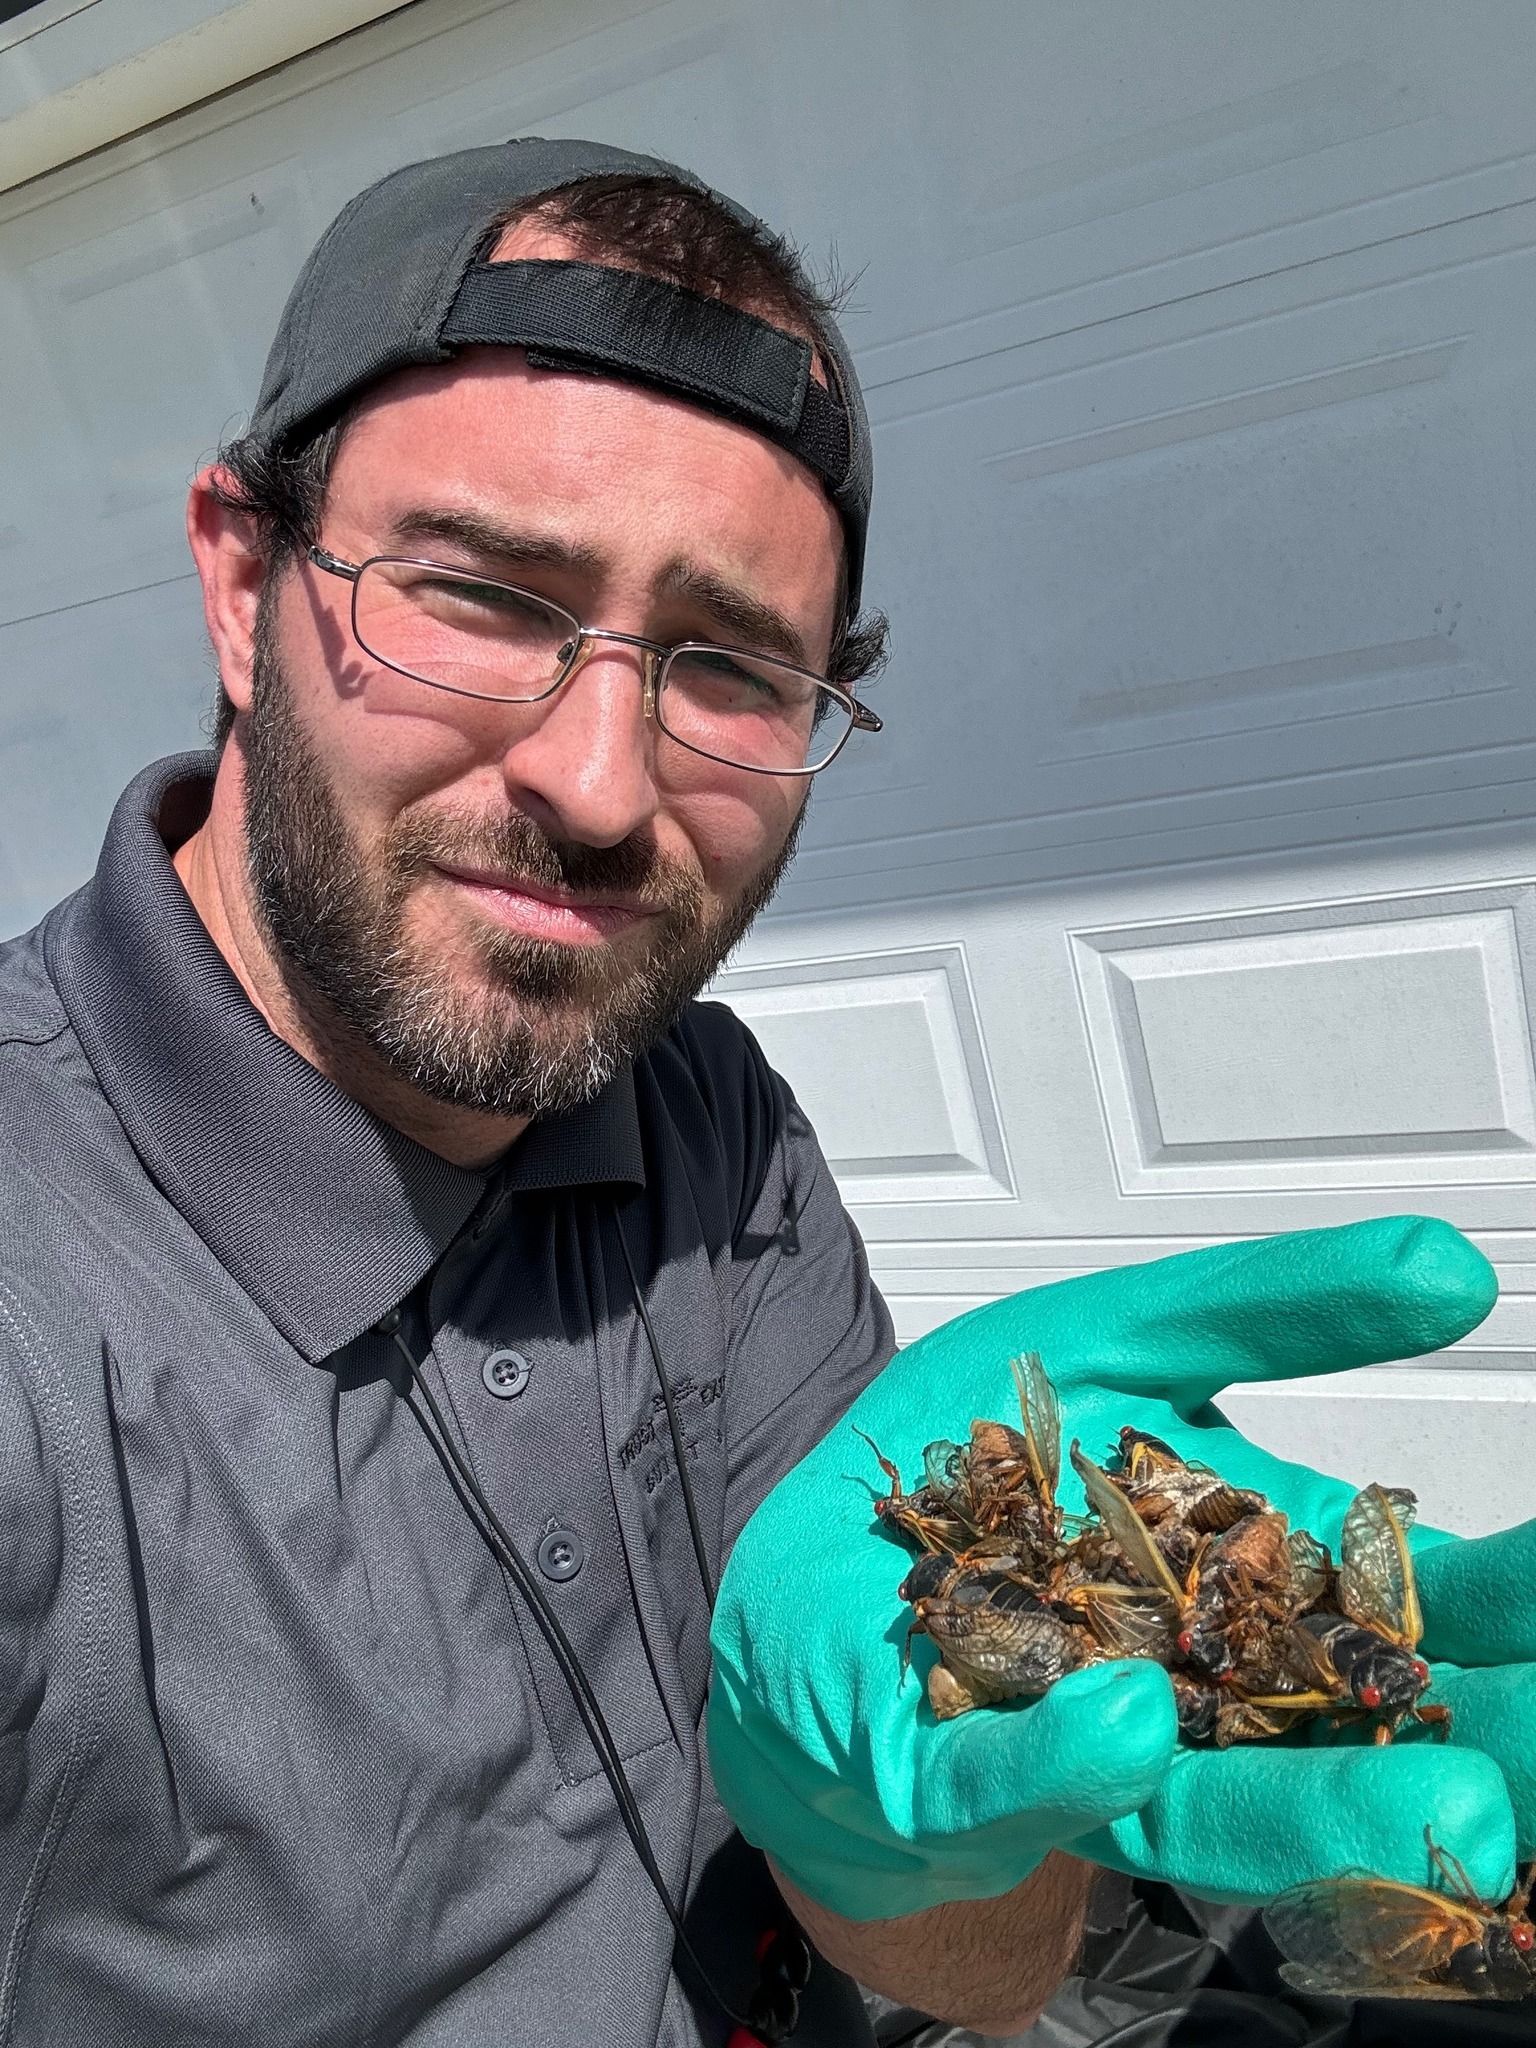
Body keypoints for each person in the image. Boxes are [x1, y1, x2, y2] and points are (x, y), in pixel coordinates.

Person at [0, 135, 1532, 2048]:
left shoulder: (706, 1121)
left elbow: (983, 1965)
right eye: (483, 595)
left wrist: (899, 1853)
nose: (598, 786)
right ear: (244, 585)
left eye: (729, 668)